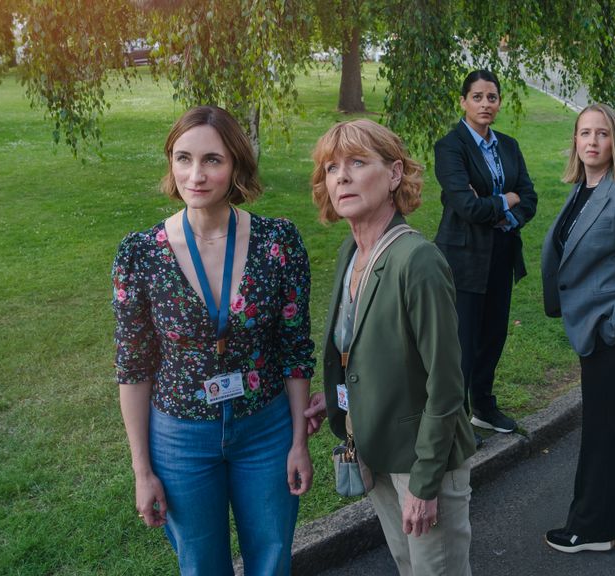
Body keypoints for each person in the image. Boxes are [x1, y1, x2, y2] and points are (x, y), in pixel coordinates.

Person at [112, 106, 315, 575]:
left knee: (271, 559)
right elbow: (132, 366)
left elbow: (295, 347)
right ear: (170, 163)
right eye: (183, 159)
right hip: (180, 436)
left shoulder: (277, 243)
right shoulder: (140, 254)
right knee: (201, 566)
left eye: (212, 160)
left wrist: (298, 441)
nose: (196, 175)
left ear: (236, 165)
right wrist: (143, 472)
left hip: (265, 429)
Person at [303, 119, 477, 575]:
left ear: (395, 174)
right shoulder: (351, 252)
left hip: (422, 461)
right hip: (376, 448)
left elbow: (446, 384)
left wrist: (424, 483)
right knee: (408, 566)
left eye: (358, 163)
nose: (341, 177)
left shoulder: (416, 260)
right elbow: (362, 347)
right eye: (331, 168)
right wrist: (338, 397)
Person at [541, 104, 615, 553]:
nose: (592, 142)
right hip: (596, 327)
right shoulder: (583, 189)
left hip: (613, 332)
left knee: (597, 429)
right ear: (575, 140)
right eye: (584, 133)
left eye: (602, 134)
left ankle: (590, 528)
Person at [433, 69, 538, 437]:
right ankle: (457, 418)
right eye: (477, 97)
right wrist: (505, 200)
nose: (485, 104)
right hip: (462, 258)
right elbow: (466, 207)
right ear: (463, 101)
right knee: (462, 341)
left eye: (491, 97)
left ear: (499, 102)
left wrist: (502, 207)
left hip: (501, 254)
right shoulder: (450, 147)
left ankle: (483, 405)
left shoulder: (508, 146)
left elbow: (530, 198)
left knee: (493, 334)